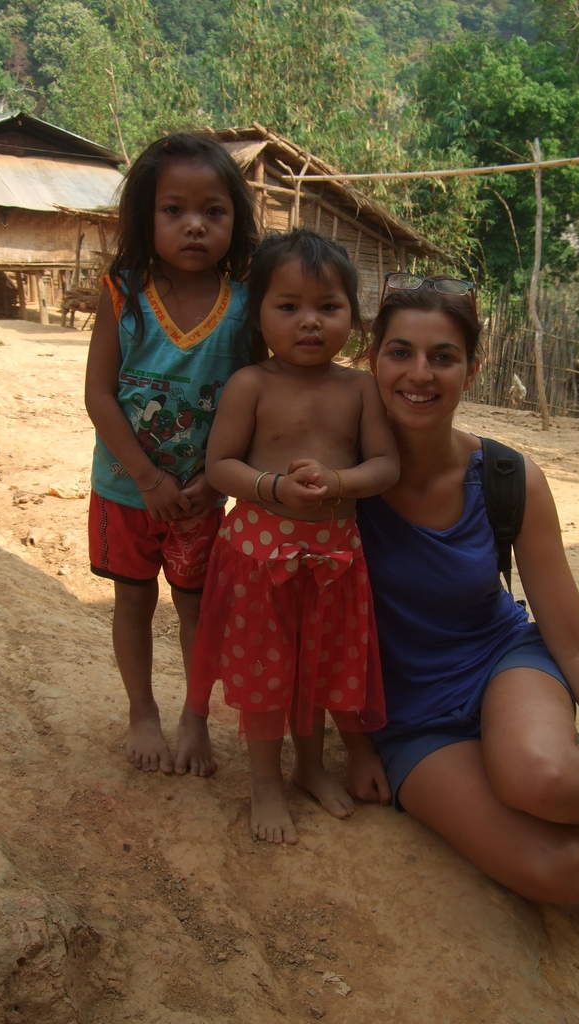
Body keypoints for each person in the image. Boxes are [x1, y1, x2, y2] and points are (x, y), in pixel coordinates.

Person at [347, 275, 579, 945]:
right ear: (371, 359)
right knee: (568, 876)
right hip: (407, 720)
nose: (419, 374)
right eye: (400, 352)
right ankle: (555, 776)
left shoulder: (507, 477)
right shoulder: (339, 478)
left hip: (501, 666)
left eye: (444, 356)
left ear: (473, 368)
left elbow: (573, 640)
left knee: (538, 773)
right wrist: (347, 741)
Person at [177, 229, 399, 844]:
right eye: (289, 307)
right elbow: (221, 466)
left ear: (353, 317)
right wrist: (274, 488)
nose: (310, 323)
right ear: (259, 315)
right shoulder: (251, 384)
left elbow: (385, 466)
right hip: (255, 559)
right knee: (265, 674)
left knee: (321, 666)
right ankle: (264, 784)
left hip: (335, 558)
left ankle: (309, 767)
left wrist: (337, 480)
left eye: (328, 308)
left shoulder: (359, 389)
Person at [85, 131, 259, 776]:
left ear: (235, 221)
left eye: (213, 212)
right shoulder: (123, 292)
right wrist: (146, 475)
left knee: (194, 607)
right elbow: (100, 396)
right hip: (126, 492)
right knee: (132, 601)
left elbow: (254, 402)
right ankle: (142, 713)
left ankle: (193, 716)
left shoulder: (245, 305)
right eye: (174, 210)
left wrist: (215, 485)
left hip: (201, 499)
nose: (195, 226)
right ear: (145, 217)